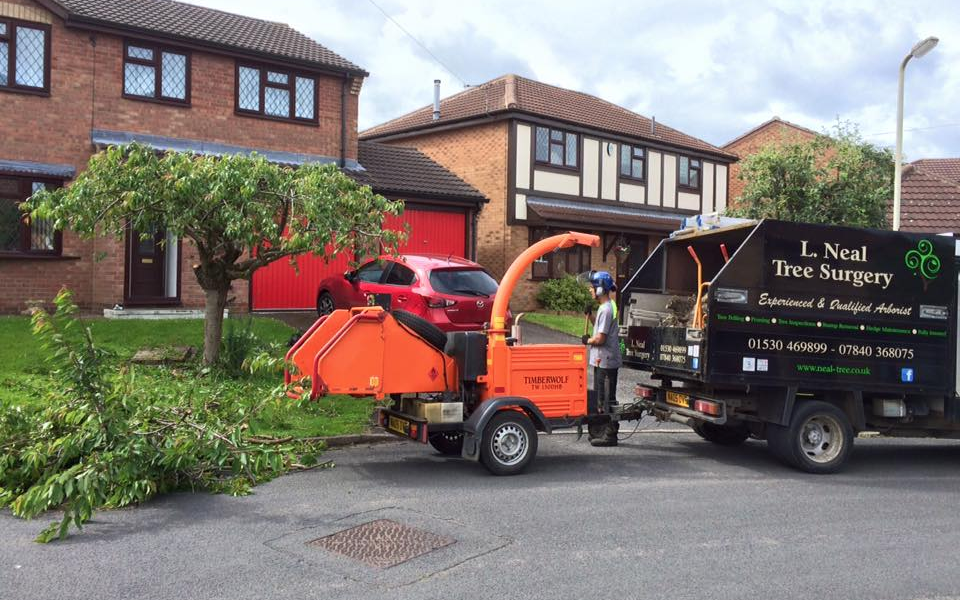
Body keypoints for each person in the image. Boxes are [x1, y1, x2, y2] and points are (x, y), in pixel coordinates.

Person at [581, 270, 621, 447]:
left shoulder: (606, 309)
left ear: (600, 289)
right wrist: (591, 318)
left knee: (606, 399)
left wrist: (587, 340)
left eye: (593, 287)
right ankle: (600, 431)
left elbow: (600, 338)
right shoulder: (606, 307)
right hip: (603, 359)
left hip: (606, 360)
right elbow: (601, 328)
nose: (591, 290)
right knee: (601, 397)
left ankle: (610, 435)